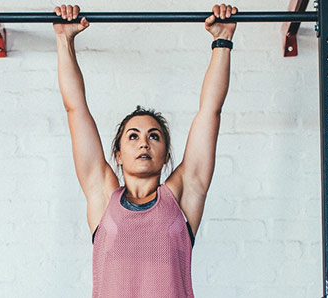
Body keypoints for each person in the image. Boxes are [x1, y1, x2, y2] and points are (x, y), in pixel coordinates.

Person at [53, 3, 238, 297]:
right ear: (117, 153)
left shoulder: (182, 196)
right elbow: (75, 109)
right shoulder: (103, 197)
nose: (143, 143)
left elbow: (209, 112)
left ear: (166, 155)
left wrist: (222, 41)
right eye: (133, 136)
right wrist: (64, 40)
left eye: (154, 136)